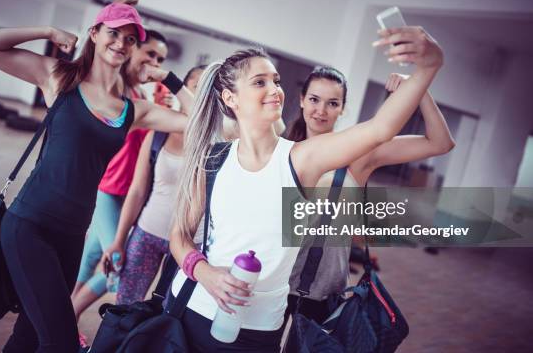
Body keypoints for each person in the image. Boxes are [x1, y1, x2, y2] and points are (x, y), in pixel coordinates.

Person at [169, 25, 444, 352]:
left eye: (276, 81)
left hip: (261, 325)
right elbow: (179, 237)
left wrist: (428, 67)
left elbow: (381, 129)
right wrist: (204, 272)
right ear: (231, 98)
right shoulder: (212, 158)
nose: (274, 89)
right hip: (192, 308)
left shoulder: (301, 158)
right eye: (260, 82)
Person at [0, 2, 193, 353]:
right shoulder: (60, 77)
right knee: (60, 342)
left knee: (28, 337)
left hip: (72, 235)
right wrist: (47, 32)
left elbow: (204, 125)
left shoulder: (132, 110)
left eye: (130, 39)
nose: (121, 43)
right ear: (95, 33)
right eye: (113, 33)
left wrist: (169, 78)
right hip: (29, 226)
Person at [284, 66, 455, 324]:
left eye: (332, 103)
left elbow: (441, 143)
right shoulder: (283, 150)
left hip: (323, 294)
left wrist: (418, 89)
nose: (320, 110)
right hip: (275, 284)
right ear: (301, 100)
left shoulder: (360, 155)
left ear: (343, 108)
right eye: (314, 100)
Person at [69, 27, 171, 333]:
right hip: (108, 190)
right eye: (150, 53)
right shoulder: (117, 88)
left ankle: (60, 322)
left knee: (90, 260)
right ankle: (65, 318)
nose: (154, 61)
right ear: (133, 50)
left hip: (130, 195)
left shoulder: (144, 96)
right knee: (119, 262)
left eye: (161, 58)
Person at [97, 65, 206, 307]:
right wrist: (119, 240)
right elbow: (136, 191)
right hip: (147, 233)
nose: (199, 94)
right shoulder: (158, 134)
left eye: (206, 89)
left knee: (169, 313)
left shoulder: (215, 140)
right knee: (124, 304)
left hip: (189, 244)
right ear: (183, 89)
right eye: (195, 86)